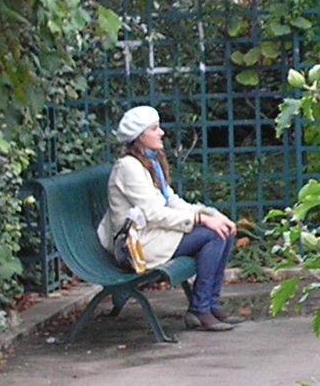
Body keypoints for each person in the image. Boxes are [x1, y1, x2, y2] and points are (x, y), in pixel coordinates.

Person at [97, 105, 238, 334]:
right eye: (155, 128)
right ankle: (200, 309)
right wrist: (200, 220)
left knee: (223, 229)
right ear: (140, 136)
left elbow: (170, 200)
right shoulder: (129, 167)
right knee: (213, 235)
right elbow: (154, 213)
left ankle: (209, 304)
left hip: (153, 235)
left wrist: (210, 213)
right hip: (138, 245)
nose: (161, 132)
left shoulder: (149, 162)